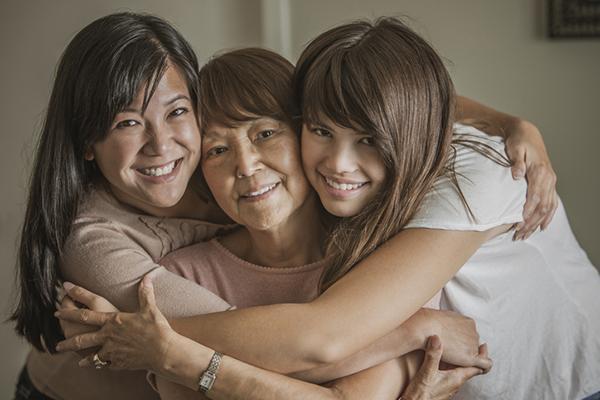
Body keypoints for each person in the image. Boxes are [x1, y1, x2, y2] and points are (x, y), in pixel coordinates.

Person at [55, 18, 598, 400]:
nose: (338, 164)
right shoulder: (116, 229)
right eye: (320, 130)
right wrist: (149, 343)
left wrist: (153, 343)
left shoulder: (463, 184)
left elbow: (322, 339)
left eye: (268, 133)